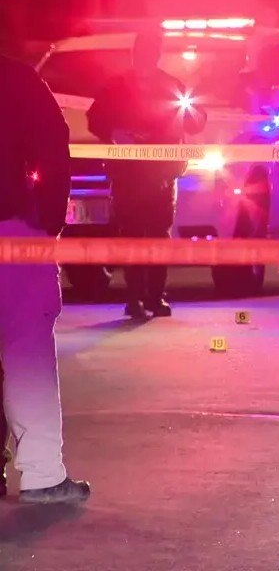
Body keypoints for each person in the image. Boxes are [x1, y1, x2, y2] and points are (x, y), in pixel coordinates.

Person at [0, 53, 90, 503]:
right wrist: (47, 222)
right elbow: (53, 146)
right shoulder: (16, 78)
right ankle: (41, 474)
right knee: (27, 351)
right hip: (12, 231)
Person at [88, 30, 206, 319]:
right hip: (128, 175)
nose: (144, 57)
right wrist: (115, 132)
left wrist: (193, 112)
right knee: (131, 236)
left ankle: (155, 296)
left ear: (156, 55)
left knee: (158, 237)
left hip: (161, 175)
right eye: (140, 52)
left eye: (149, 52)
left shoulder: (171, 85)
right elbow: (95, 119)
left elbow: (194, 122)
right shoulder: (116, 87)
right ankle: (134, 297)